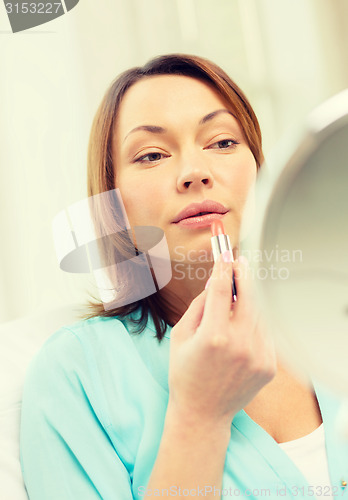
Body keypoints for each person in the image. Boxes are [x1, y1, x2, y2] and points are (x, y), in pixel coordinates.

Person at [19, 54, 348, 500]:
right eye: (152, 155)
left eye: (223, 142)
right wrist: (200, 416)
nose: (195, 173)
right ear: (112, 203)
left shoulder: (333, 319)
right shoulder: (77, 375)